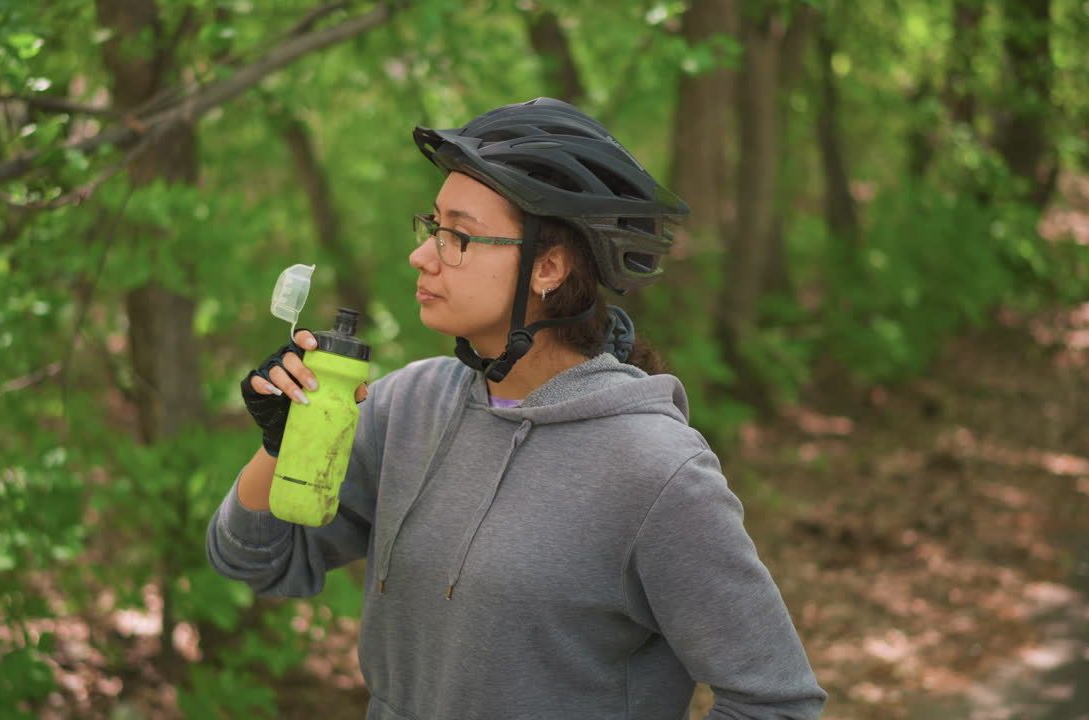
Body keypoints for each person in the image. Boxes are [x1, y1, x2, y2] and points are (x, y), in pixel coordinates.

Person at [207, 98, 826, 720]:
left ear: (548, 268)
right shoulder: (409, 406)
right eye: (433, 226)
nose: (423, 256)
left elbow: (777, 702)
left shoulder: (654, 471)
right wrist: (278, 446)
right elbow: (257, 560)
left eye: (460, 237)